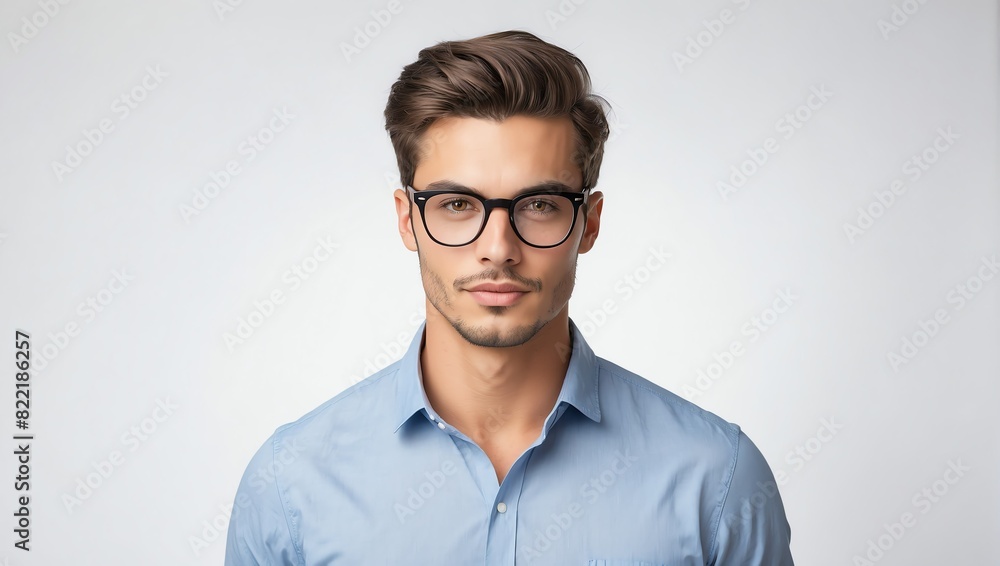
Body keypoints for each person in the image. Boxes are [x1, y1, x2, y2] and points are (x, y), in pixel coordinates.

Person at [224, 29, 793, 565]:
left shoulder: (716, 479)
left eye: (540, 205)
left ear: (589, 224)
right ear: (407, 220)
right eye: (457, 204)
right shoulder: (291, 483)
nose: (498, 248)